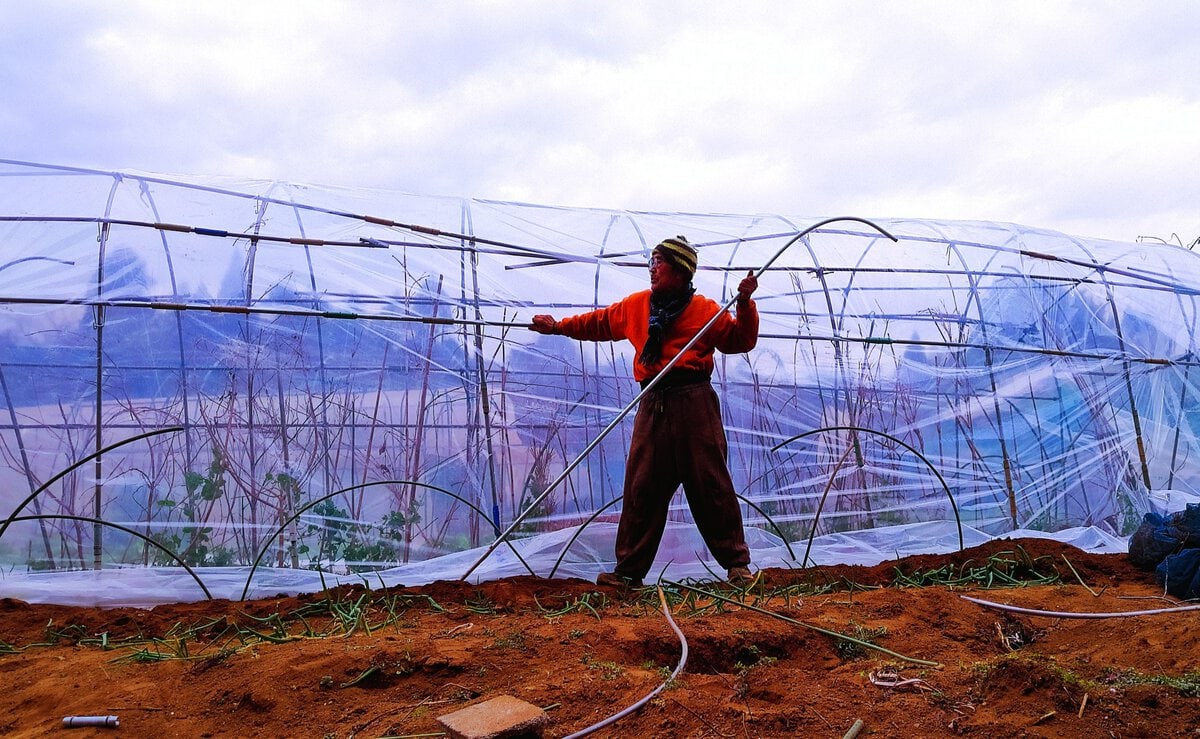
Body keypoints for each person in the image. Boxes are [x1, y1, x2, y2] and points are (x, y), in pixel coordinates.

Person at [530, 235, 759, 587]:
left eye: (658, 262)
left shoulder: (707, 310)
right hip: (653, 402)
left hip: (694, 403)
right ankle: (628, 573)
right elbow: (599, 323)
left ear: (680, 270)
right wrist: (558, 327)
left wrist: (744, 304)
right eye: (651, 262)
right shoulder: (636, 307)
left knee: (710, 484)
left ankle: (738, 566)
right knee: (642, 487)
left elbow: (741, 340)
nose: (651, 269)